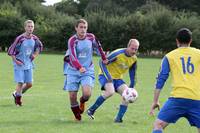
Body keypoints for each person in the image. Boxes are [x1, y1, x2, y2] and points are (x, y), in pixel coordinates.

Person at [149, 28, 200, 133]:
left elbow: (161, 79)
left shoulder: (169, 56)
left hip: (177, 99)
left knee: (158, 125)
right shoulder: (199, 53)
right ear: (190, 41)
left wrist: (155, 100)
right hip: (197, 99)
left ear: (177, 41)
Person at [64, 18, 108, 121]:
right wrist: (79, 67)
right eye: (81, 27)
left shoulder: (91, 37)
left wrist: (104, 58)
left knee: (87, 94)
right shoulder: (72, 40)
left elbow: (98, 47)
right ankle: (77, 117)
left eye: (85, 27)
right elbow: (72, 57)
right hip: (73, 70)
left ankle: (82, 101)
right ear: (76, 28)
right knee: (72, 96)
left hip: (87, 70)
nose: (83, 30)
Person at [87, 39, 140, 123]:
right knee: (110, 92)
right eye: (132, 48)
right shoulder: (118, 54)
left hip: (118, 78)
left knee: (127, 95)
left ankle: (118, 119)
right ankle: (91, 110)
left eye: (136, 49)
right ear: (128, 46)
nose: (134, 51)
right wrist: (108, 77)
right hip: (105, 75)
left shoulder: (134, 59)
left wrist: (132, 86)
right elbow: (101, 62)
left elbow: (133, 73)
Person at [8, 20, 43, 106]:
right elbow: (11, 51)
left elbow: (39, 47)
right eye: (28, 26)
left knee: (29, 84)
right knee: (20, 82)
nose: (30, 28)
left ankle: (16, 93)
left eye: (32, 26)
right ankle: (18, 101)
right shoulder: (20, 38)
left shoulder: (35, 38)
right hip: (19, 63)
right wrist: (16, 61)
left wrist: (35, 55)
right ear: (25, 27)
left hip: (28, 64)